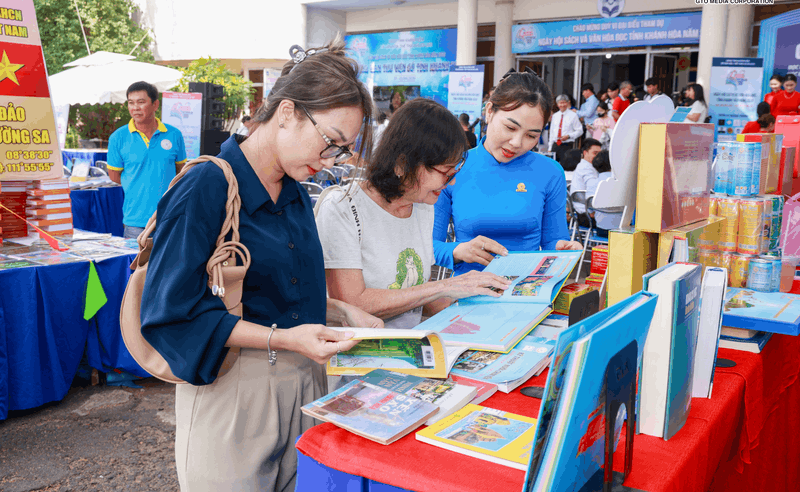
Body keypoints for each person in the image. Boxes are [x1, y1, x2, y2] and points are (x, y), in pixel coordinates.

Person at [139, 40, 384, 492]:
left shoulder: (294, 189)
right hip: (234, 389)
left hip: (306, 385)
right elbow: (171, 312)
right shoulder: (205, 186)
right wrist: (282, 338)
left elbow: (277, 288)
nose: (330, 161)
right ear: (287, 112)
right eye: (330, 142)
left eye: (341, 151)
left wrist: (338, 311)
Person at [316, 99, 511, 328]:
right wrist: (445, 286)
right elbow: (351, 303)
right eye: (445, 173)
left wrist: (477, 304)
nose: (451, 182)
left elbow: (419, 297)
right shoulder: (343, 207)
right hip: (358, 354)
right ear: (402, 164)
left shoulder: (422, 205)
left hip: (413, 343)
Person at [433, 68, 583, 277]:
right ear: (489, 112)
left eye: (531, 135)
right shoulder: (453, 166)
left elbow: (552, 240)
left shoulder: (549, 172)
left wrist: (563, 249)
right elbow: (428, 245)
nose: (517, 143)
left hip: (527, 293)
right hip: (466, 294)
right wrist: (458, 250)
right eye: (510, 128)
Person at [107, 81, 187, 239]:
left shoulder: (174, 134)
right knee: (137, 264)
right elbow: (114, 176)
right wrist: (139, 185)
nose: (135, 108)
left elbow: (180, 172)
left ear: (155, 104)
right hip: (135, 221)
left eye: (141, 102)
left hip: (169, 218)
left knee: (170, 263)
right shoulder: (118, 137)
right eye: (131, 103)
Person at [586, 150, 623, 237]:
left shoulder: (592, 184)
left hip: (601, 229)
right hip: (622, 230)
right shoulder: (623, 184)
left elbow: (590, 212)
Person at [569, 138, 602, 217]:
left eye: (600, 154)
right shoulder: (586, 169)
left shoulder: (587, 166)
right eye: (595, 153)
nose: (598, 157)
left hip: (584, 212)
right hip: (587, 214)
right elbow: (593, 194)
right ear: (585, 153)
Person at [548, 94, 583, 161]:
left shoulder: (573, 115)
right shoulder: (555, 116)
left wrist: (569, 136)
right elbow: (552, 133)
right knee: (553, 166)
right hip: (555, 145)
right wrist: (549, 148)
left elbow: (580, 130)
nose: (562, 105)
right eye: (560, 103)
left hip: (567, 145)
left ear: (567, 103)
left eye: (564, 102)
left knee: (565, 166)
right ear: (557, 104)